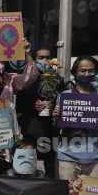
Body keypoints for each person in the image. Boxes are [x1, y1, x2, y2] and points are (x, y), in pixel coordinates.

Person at [52, 56, 98, 182]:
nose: (87, 74)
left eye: (91, 71)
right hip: (68, 157)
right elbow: (57, 127)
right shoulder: (64, 96)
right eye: (83, 71)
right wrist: (56, 117)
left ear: (96, 73)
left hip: (94, 158)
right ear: (75, 72)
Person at [15, 47, 65, 177]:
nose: (45, 61)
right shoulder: (26, 80)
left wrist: (52, 106)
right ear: (35, 60)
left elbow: (62, 102)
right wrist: (34, 106)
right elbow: (18, 107)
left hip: (50, 131)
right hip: (31, 131)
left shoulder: (58, 80)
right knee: (28, 166)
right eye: (40, 58)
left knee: (50, 167)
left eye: (48, 58)